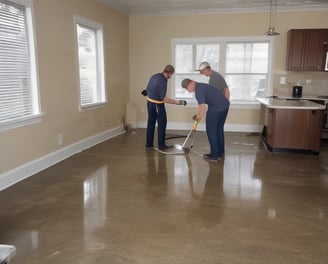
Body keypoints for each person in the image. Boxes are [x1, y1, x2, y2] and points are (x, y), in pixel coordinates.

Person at [181, 78, 230, 161]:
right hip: (225, 105)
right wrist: (198, 115)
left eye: (187, 87)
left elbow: (202, 108)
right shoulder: (201, 86)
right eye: (186, 89)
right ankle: (220, 152)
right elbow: (201, 106)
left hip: (216, 108)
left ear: (192, 82)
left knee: (211, 130)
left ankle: (214, 155)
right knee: (218, 129)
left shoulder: (198, 91)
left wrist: (198, 118)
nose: (188, 90)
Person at [145, 65, 186, 150]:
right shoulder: (162, 81)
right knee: (162, 123)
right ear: (169, 73)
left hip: (149, 102)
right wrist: (177, 102)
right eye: (172, 74)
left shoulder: (155, 76)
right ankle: (161, 145)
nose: (171, 76)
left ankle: (148, 144)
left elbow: (147, 89)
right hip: (157, 105)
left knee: (151, 122)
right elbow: (164, 98)